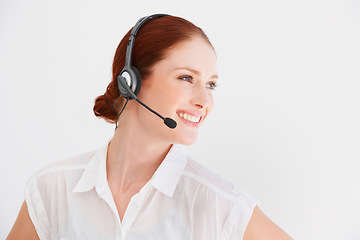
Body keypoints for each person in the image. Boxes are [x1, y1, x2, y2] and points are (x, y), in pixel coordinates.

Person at [7, 14, 293, 239]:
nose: (205, 101)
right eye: (186, 78)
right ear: (131, 81)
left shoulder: (219, 205)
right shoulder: (51, 189)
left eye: (211, 84)